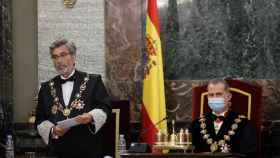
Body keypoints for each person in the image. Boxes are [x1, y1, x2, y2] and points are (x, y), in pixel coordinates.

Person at [35, 38, 111, 158]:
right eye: (55, 57)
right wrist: (53, 130)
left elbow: (105, 107)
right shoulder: (45, 88)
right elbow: (39, 119)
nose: (59, 60)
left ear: (73, 57)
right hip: (58, 151)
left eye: (63, 55)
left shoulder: (93, 81)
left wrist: (90, 116)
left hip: (88, 150)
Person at [190, 80, 257, 157]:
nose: (214, 98)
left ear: (229, 97)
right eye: (211, 95)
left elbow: (249, 154)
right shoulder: (196, 124)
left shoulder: (244, 123)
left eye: (218, 94)